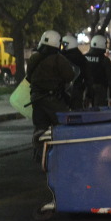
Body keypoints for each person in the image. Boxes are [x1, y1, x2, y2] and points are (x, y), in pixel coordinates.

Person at [25, 30, 74, 160]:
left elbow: (29, 77)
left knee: (40, 127)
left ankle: (39, 153)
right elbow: (69, 76)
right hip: (53, 99)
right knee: (62, 126)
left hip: (36, 98)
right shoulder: (59, 59)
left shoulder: (34, 58)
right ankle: (61, 155)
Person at [85, 34, 111, 107]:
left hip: (87, 88)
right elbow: (110, 78)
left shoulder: (85, 58)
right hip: (100, 89)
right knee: (99, 112)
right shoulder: (105, 60)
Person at [60, 33, 90, 110]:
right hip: (78, 89)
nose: (61, 47)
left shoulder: (63, 57)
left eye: (63, 45)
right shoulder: (81, 57)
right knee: (76, 113)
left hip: (66, 89)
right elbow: (88, 76)